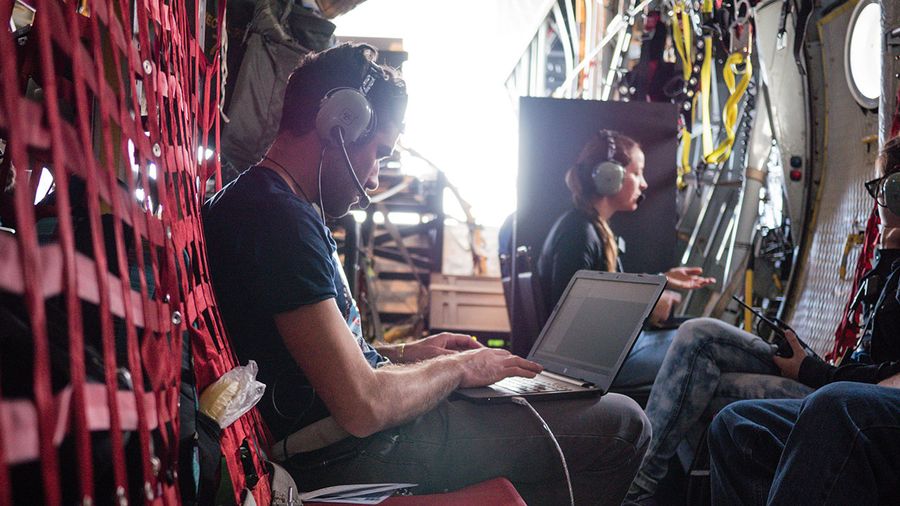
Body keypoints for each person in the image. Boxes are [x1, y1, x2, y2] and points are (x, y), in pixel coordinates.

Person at [202, 43, 650, 505]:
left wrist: (406, 352)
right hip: (355, 449)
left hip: (347, 435)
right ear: (340, 123)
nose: (374, 178)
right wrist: (455, 368)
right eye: (379, 153)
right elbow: (364, 405)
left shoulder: (265, 203)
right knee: (623, 423)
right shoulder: (278, 221)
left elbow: (301, 359)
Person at [625, 137, 900, 504]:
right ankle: (638, 488)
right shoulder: (889, 264)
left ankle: (636, 491)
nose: (879, 202)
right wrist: (888, 258)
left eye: (884, 189)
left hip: (836, 389)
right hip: (836, 378)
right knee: (700, 336)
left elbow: (886, 377)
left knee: (704, 376)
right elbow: (871, 357)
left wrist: (813, 373)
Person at [537, 130, 714, 390]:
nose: (643, 183)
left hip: (607, 357)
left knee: (698, 333)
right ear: (611, 177)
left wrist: (659, 282)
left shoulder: (589, 227)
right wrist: (647, 305)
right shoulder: (579, 232)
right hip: (598, 365)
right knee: (703, 344)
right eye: (636, 172)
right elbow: (573, 322)